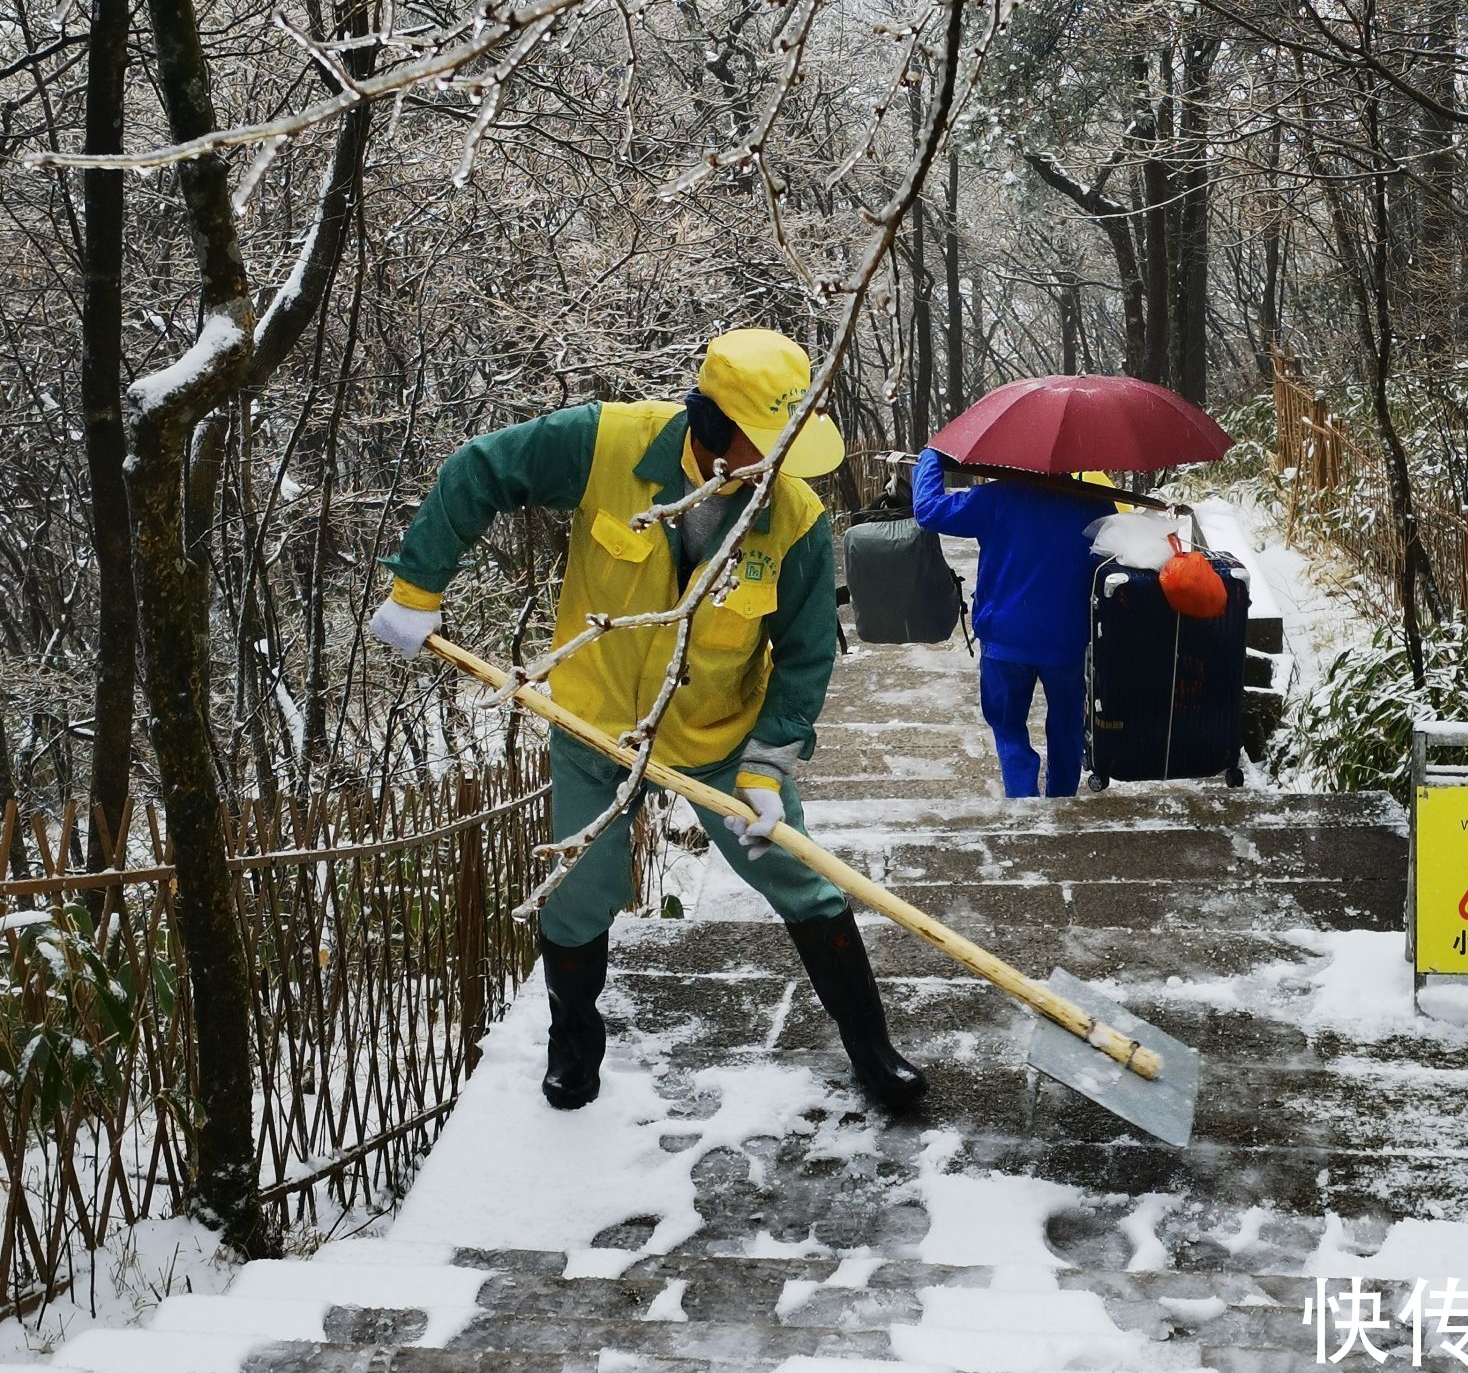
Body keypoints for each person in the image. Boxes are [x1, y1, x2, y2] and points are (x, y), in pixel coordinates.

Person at [368, 328, 926, 1111]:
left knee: (802, 882)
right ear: (710, 423)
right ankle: (573, 1044)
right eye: (762, 443)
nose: (774, 465)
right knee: (578, 892)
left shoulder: (793, 518)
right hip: (599, 723)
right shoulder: (606, 445)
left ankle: (873, 1048)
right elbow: (479, 470)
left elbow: (805, 654)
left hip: (720, 736)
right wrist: (417, 590)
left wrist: (768, 763)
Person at [911, 448, 1112, 798]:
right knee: (1067, 727)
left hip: (1006, 640)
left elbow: (928, 510)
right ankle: (1062, 799)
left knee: (1008, 727)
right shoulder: (1094, 505)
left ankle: (1022, 800)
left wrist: (933, 459)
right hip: (1068, 640)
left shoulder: (995, 499)